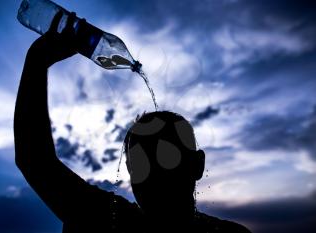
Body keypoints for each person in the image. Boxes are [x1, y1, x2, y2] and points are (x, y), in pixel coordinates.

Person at [14, 12, 251, 233]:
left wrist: (37, 62)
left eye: (167, 158)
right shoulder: (111, 218)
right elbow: (36, 161)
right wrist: (36, 61)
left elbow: (35, 162)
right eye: (139, 164)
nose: (153, 177)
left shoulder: (113, 222)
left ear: (197, 165)